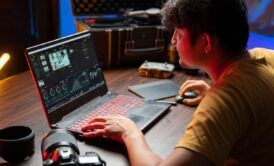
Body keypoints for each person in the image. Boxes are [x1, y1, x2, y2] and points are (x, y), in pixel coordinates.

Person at [81, 0, 274, 165]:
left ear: (205, 43)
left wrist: (130, 132)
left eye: (179, 34)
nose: (173, 41)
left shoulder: (224, 103)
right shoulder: (265, 57)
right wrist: (218, 95)